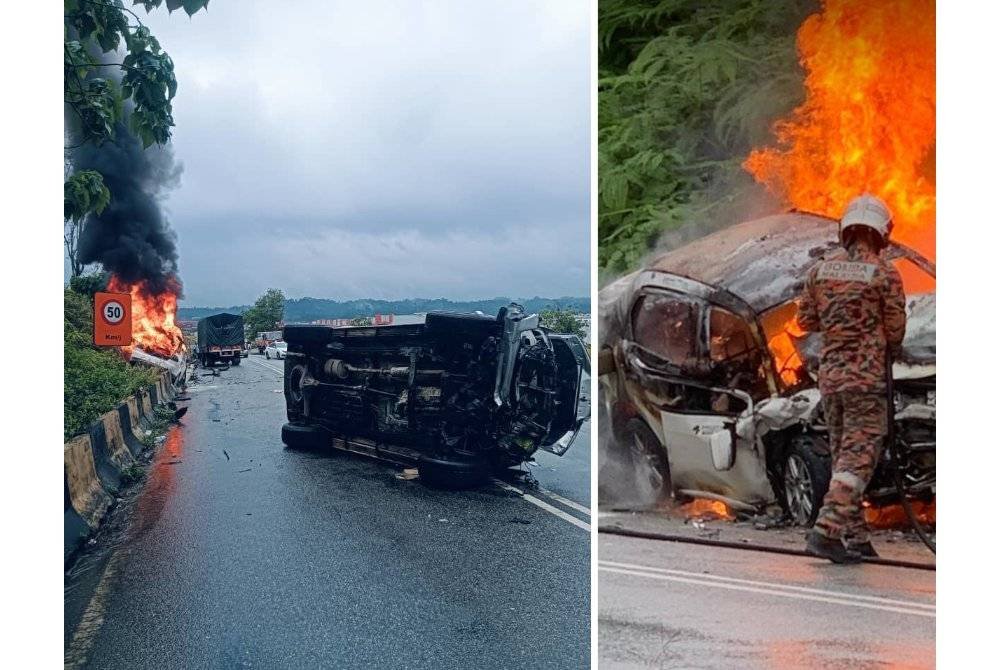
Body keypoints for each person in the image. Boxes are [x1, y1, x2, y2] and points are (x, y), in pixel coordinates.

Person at [797, 193, 907, 563]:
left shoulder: (819, 271)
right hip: (865, 381)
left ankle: (856, 539)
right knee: (859, 459)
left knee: (845, 456)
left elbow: (806, 321)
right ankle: (825, 531)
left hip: (830, 380)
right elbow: (895, 330)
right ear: (882, 232)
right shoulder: (885, 273)